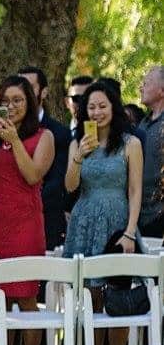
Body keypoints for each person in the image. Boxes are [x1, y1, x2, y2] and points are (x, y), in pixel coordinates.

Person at [0, 75, 54, 345]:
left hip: (26, 223)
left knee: (27, 298)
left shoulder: (43, 136)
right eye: (5, 101)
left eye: (17, 100)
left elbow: (33, 175)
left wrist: (15, 140)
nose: (11, 106)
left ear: (29, 103)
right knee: (1, 297)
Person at [64, 80, 143, 292]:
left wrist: (130, 232)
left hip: (118, 222)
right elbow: (70, 186)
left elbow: (135, 191)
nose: (97, 112)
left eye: (102, 106)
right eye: (91, 107)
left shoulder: (131, 144)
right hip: (84, 221)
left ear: (113, 108)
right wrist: (79, 155)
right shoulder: (76, 143)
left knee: (119, 292)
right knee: (91, 295)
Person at [19, 65, 72, 250]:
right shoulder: (5, 129)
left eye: (30, 87)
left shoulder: (60, 133)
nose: (24, 93)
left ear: (44, 91)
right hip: (9, 217)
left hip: (45, 219)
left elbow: (57, 181)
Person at [137, 65, 164, 240]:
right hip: (140, 216)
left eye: (146, 83)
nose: (141, 87)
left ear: (162, 90)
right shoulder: (142, 124)